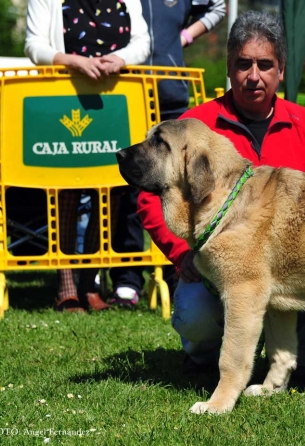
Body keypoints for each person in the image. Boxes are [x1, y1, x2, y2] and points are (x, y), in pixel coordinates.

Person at [137, 10, 305, 382]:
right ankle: (203, 359)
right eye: (243, 64)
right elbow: (150, 195)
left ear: (281, 69)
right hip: (217, 268)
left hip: (292, 267)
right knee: (198, 315)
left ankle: (304, 359)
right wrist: (181, 251)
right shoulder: (195, 125)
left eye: (265, 65)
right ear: (229, 67)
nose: (254, 76)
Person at [24, 0, 151, 312]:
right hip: (64, 101)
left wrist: (120, 59)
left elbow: (143, 42)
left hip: (114, 104)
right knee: (65, 194)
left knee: (109, 194)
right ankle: (66, 287)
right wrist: (74, 62)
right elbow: (33, 45)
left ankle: (89, 283)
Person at [111, 0, 227, 305]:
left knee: (179, 188)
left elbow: (217, 7)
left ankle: (181, 270)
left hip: (170, 93)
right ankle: (127, 279)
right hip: (123, 94)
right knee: (127, 189)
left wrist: (184, 37)